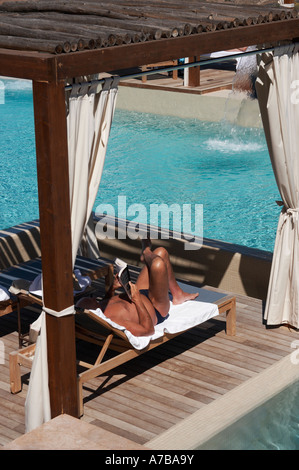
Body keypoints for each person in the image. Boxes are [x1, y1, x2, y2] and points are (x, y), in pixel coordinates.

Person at [77, 240, 198, 337]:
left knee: (161, 252)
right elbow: (148, 330)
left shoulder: (100, 309)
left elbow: (104, 302)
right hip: (155, 307)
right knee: (158, 264)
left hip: (137, 294)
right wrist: (137, 300)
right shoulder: (115, 321)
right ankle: (145, 253)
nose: (94, 298)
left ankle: (178, 294)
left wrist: (112, 288)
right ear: (93, 311)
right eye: (92, 300)